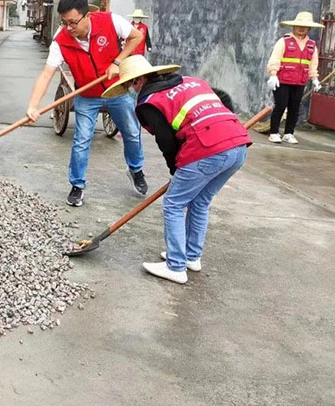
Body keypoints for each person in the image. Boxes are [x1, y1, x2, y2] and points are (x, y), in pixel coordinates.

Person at [102, 55, 252, 284]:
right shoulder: (192, 81)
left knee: (173, 203)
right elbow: (223, 98)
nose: (129, 90)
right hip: (238, 144)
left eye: (128, 84)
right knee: (200, 202)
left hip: (207, 148)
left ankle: (175, 266)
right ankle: (191, 257)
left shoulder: (149, 102)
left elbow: (166, 141)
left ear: (139, 81)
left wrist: (176, 170)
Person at [24, 0, 147, 207]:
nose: (69, 28)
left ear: (87, 16)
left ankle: (136, 170)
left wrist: (118, 61)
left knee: (132, 133)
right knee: (81, 141)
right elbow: (46, 74)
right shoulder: (60, 41)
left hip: (116, 90)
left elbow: (136, 37)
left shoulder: (110, 21)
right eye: (64, 23)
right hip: (87, 96)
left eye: (73, 22)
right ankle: (77, 185)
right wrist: (33, 106)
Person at [266, 11, 323, 144]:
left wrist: (314, 78)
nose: (301, 29)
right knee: (281, 105)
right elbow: (275, 58)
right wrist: (273, 74)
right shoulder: (284, 41)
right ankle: (274, 132)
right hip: (282, 80)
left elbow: (313, 63)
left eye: (305, 27)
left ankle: (288, 133)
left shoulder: (311, 45)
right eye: (298, 26)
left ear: (309, 28)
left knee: (294, 107)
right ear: (294, 26)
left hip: (299, 81)